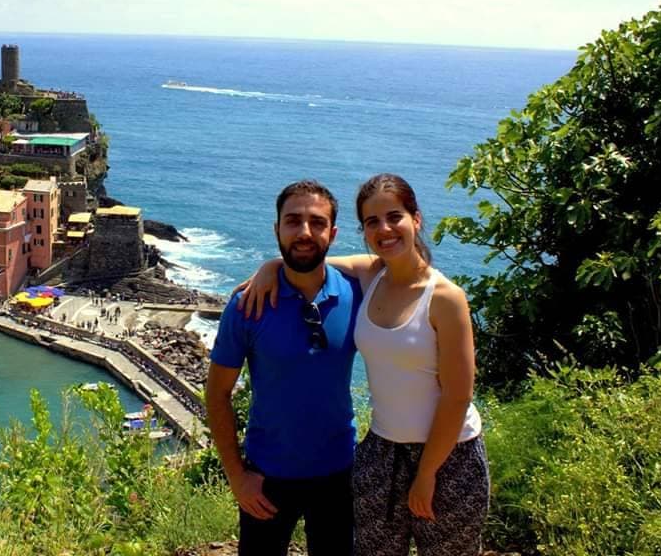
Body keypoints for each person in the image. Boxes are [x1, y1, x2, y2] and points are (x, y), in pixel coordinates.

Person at [238, 174, 489, 556]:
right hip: (382, 451)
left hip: (449, 456)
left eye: (394, 217)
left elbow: (458, 396)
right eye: (372, 222)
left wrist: (426, 475)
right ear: (362, 230)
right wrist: (272, 265)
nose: (384, 229)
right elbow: (312, 260)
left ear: (415, 219)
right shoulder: (372, 276)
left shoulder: (446, 298)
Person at [206, 180, 362, 556]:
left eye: (317, 222)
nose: (305, 232)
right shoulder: (247, 306)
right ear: (276, 229)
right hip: (266, 477)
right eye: (293, 221)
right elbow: (217, 393)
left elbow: (408, 269)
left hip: (339, 474)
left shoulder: (358, 296)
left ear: (334, 233)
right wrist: (237, 477)